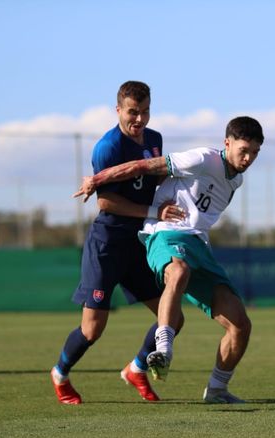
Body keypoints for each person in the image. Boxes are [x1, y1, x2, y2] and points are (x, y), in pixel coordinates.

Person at [75, 116, 264, 403]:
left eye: (255, 153)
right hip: (164, 234)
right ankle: (163, 348)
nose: (248, 158)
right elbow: (144, 166)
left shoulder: (236, 179)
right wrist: (97, 179)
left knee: (240, 324)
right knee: (178, 272)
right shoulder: (203, 158)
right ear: (227, 143)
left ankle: (216, 390)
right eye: (244, 150)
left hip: (198, 243)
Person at [51, 81, 185, 404]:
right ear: (118, 110)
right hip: (108, 244)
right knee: (92, 329)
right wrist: (154, 210)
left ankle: (137, 368)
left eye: (145, 111)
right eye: (132, 112)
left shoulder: (154, 140)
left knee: (174, 318)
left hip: (139, 244)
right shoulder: (107, 147)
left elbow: (158, 178)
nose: (139, 119)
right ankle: (60, 374)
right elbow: (106, 203)